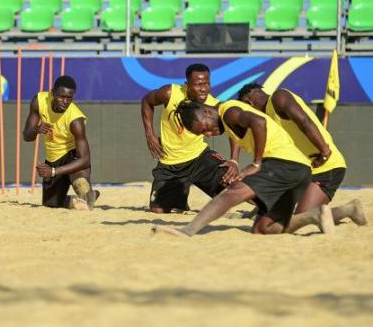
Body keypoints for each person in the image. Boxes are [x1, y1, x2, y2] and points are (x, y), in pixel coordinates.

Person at [152, 100, 335, 237]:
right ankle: (314, 215)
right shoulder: (227, 118)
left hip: (284, 163)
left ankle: (187, 231)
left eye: (204, 128)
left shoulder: (229, 112)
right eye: (203, 134)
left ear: (207, 112)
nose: (208, 134)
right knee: (263, 229)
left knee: (231, 193)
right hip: (300, 170)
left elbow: (259, 123)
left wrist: (256, 163)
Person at [237, 83, 367, 228]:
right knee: (297, 219)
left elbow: (304, 121)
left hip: (327, 166)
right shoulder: (269, 120)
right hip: (304, 172)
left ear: (249, 103)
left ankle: (349, 209)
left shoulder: (278, 97)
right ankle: (344, 210)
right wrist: (252, 213)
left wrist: (324, 151)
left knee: (300, 220)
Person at [140, 63, 239, 213]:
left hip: (199, 158)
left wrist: (234, 160)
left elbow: (234, 130)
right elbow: (147, 101)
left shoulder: (213, 105)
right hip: (170, 165)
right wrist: (149, 134)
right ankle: (180, 202)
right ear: (187, 85)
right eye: (199, 84)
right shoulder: (169, 93)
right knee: (158, 211)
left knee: (235, 185)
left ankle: (269, 208)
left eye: (207, 83)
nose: (204, 88)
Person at [23, 75, 97, 210]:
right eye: (61, 96)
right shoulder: (39, 101)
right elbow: (26, 136)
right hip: (53, 159)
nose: (65, 101)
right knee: (50, 204)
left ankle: (88, 195)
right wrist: (36, 129)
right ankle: (77, 200)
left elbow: (85, 159)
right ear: (52, 93)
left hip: (72, 156)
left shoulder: (76, 120)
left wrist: (53, 171)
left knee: (82, 186)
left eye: (69, 98)